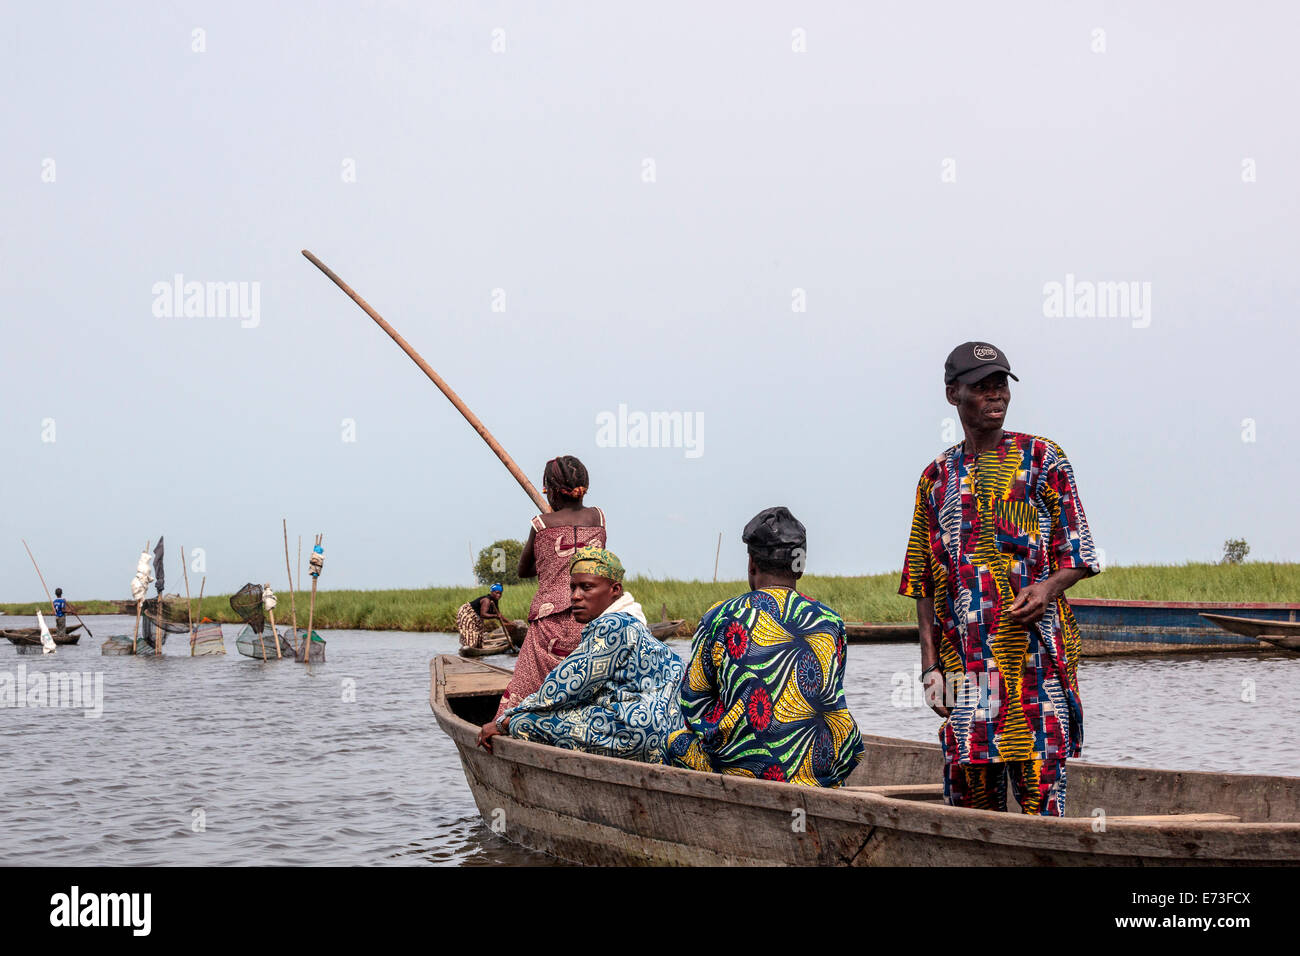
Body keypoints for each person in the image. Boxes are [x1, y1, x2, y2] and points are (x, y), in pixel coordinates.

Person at [899, 341, 1100, 816]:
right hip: (965, 671)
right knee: (972, 814)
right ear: (954, 395)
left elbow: (1081, 553)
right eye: (982, 387)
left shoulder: (1043, 460)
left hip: (1036, 670)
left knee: (1043, 811)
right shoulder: (936, 478)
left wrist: (1049, 587)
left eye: (1001, 386)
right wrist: (930, 668)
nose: (996, 396)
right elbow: (923, 582)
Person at [666, 507, 864, 787]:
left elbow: (692, 701)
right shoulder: (830, 622)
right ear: (800, 566)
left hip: (740, 771)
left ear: (751, 564)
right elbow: (828, 693)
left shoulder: (720, 617)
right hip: (819, 773)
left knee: (677, 742)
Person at [477, 547, 684, 762]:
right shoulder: (635, 624)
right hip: (670, 736)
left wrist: (505, 720)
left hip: (635, 734)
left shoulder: (612, 625)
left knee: (524, 722)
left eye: (586, 587)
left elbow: (562, 688)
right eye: (573, 587)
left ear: (615, 589)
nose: (575, 597)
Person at [494, 456, 608, 719]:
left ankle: (506, 726)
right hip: (594, 621)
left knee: (522, 692)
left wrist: (550, 562)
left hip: (550, 625)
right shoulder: (599, 519)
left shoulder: (541, 524)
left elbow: (523, 570)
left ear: (553, 491)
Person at [455, 583, 508, 649]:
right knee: (471, 634)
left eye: (500, 593)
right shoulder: (486, 600)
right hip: (467, 614)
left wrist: (510, 623)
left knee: (479, 638)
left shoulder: (495, 601)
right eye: (497, 593)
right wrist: (495, 616)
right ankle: (468, 649)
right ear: (492, 592)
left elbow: (499, 615)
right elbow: (483, 614)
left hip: (477, 617)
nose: (499, 595)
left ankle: (477, 652)